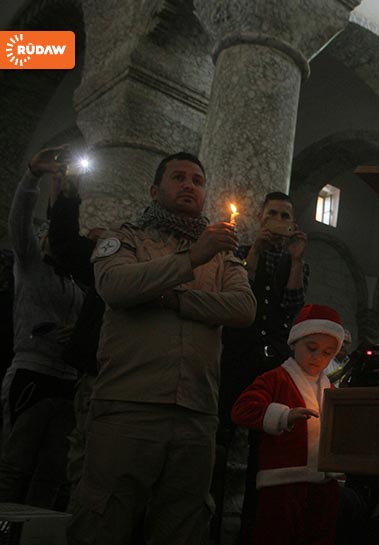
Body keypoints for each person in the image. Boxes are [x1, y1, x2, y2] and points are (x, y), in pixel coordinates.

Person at [67, 152, 256, 545]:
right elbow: (116, 287)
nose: (189, 185)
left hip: (196, 412)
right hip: (129, 405)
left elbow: (243, 307)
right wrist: (192, 258)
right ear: (155, 190)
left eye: (197, 180)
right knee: (104, 518)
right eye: (179, 177)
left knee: (183, 524)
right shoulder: (126, 239)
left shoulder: (222, 254)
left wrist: (175, 299)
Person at [214, 191, 309, 543]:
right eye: (273, 214)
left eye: (286, 216)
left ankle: (251, 532)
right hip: (236, 356)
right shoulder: (241, 252)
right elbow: (239, 292)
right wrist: (255, 247)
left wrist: (296, 261)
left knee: (263, 447)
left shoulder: (296, 261)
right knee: (221, 437)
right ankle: (210, 524)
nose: (279, 221)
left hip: (272, 361)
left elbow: (292, 307)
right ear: (260, 217)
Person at [0, 145, 83, 509]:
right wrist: (32, 176)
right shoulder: (32, 264)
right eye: (50, 234)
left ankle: (34, 533)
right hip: (32, 373)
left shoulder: (77, 281)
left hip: (67, 381)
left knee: (52, 473)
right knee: (13, 465)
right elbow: (19, 221)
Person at [231, 304, 345, 545]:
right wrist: (283, 416)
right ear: (294, 343)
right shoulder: (276, 379)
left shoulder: (331, 391)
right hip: (282, 483)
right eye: (311, 348)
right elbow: (242, 409)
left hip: (323, 484)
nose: (318, 357)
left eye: (327, 353)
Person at [45, 158, 107, 497]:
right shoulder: (114, 252)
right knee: (86, 460)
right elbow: (66, 246)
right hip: (98, 373)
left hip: (143, 378)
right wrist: (68, 199)